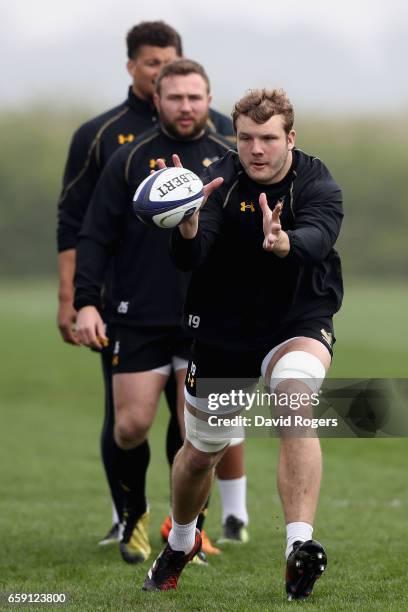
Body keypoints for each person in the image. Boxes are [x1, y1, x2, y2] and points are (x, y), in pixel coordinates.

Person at [142, 89, 343, 600]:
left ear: (290, 138)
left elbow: (319, 236)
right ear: (237, 138)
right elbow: (193, 254)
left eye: (269, 138)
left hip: (297, 319)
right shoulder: (217, 180)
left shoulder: (317, 181)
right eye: (247, 138)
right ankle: (182, 541)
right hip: (224, 331)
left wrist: (284, 242)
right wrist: (187, 226)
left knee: (294, 400)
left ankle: (299, 547)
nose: (256, 149)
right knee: (200, 454)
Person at [56, 21, 247, 552]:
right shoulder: (127, 156)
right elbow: (92, 233)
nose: (185, 106)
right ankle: (132, 517)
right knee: (129, 426)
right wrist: (85, 302)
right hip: (135, 310)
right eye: (174, 96)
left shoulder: (231, 156)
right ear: (156, 98)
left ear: (209, 99)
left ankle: (186, 532)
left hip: (207, 315)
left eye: (194, 97)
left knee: (197, 433)